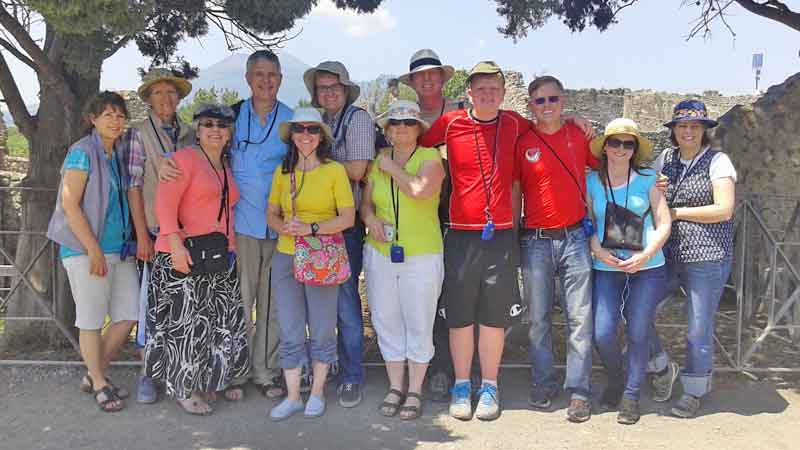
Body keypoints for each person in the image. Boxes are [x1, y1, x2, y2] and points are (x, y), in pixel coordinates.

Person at [419, 61, 526, 421]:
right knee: (460, 316)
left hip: (500, 235)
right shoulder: (450, 124)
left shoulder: (513, 123)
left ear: (503, 93)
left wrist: (575, 122)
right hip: (461, 234)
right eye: (480, 89)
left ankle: (490, 385)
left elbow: (547, 128)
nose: (487, 94)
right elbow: (414, 144)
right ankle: (462, 384)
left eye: (494, 89)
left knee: (494, 317)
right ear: (468, 93)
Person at [144, 103, 249, 416]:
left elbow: (225, 213)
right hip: (183, 254)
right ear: (198, 131)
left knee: (209, 324)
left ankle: (202, 379)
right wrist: (175, 245)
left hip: (215, 258)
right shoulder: (183, 160)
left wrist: (231, 250)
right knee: (183, 325)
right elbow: (165, 206)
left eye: (221, 125)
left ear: (230, 132)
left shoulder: (225, 167)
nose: (215, 130)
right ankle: (182, 389)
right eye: (208, 125)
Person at [47, 91, 139, 412]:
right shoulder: (81, 152)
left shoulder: (116, 154)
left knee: (128, 315)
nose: (115, 121)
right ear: (93, 119)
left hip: (120, 249)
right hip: (85, 249)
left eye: (119, 115)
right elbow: (70, 204)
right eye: (108, 115)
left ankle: (93, 372)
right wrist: (93, 249)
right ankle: (100, 382)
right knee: (91, 319)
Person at [515, 75, 598, 423]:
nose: (546, 106)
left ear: (563, 100)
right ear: (531, 106)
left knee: (580, 317)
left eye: (552, 99)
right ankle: (544, 381)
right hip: (535, 239)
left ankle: (579, 390)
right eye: (539, 101)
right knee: (538, 319)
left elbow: (611, 162)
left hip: (575, 237)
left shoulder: (579, 135)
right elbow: (516, 189)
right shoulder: (523, 142)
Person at [647, 100, 737, 419]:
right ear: (673, 131)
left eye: (695, 127)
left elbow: (724, 209)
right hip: (668, 253)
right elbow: (650, 194)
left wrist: (677, 212)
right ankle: (660, 367)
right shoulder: (666, 159)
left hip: (707, 255)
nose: (688, 132)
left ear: (704, 131)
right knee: (636, 310)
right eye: (682, 126)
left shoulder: (718, 161)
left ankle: (694, 391)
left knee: (698, 328)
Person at [266, 107, 355, 420]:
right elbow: (272, 214)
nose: (306, 135)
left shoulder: (334, 171)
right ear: (291, 134)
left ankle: (316, 392)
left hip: (321, 256)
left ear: (321, 136)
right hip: (287, 255)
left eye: (312, 129)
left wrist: (311, 229)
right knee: (290, 328)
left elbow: (347, 217)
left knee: (321, 328)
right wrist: (284, 228)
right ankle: (293, 397)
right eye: (300, 129)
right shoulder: (283, 171)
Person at [361, 100, 445, 420]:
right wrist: (371, 221)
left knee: (419, 321)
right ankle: (396, 386)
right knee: (386, 319)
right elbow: (365, 206)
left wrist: (391, 168)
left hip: (421, 254)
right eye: (394, 123)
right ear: (387, 129)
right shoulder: (378, 162)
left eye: (408, 123)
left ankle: (415, 389)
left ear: (418, 129)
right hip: (381, 253)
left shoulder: (429, 157)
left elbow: (421, 190)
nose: (400, 128)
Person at [586, 118, 671, 425]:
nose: (621, 149)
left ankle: (631, 395)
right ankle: (617, 378)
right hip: (606, 265)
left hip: (646, 266)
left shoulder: (649, 179)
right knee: (603, 331)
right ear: (605, 146)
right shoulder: (592, 181)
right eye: (615, 142)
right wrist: (597, 248)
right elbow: (587, 222)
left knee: (638, 330)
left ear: (634, 149)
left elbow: (664, 223)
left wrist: (647, 253)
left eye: (628, 144)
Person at [398, 49, 470, 401]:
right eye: (420, 75)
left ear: (443, 78)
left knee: (451, 293)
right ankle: (422, 366)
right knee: (423, 296)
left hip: (456, 212)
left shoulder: (461, 112)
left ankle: (449, 368)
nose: (427, 80)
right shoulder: (404, 117)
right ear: (412, 82)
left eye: (433, 74)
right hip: (416, 217)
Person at [304, 61, 375, 408]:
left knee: (346, 304)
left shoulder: (357, 119)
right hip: (319, 224)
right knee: (323, 304)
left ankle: (351, 376)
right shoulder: (325, 123)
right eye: (323, 88)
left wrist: (316, 161)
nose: (329, 92)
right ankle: (329, 364)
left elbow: (359, 170)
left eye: (334, 86)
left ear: (345, 89)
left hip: (344, 226)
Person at [127, 67, 195, 404]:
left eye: (171, 93)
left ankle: (178, 369)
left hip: (188, 232)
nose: (166, 99)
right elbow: (134, 187)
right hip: (155, 230)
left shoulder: (191, 133)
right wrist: (142, 234)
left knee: (183, 305)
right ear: (149, 99)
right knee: (150, 305)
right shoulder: (139, 134)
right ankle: (147, 375)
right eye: (159, 93)